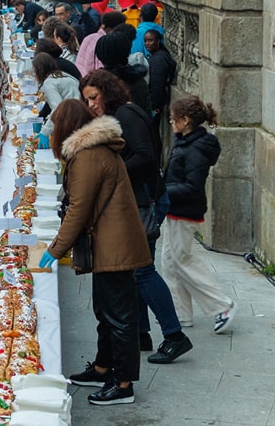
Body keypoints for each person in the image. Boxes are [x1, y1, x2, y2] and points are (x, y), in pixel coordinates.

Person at [39, 99, 151, 406]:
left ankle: (124, 384)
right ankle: (104, 367)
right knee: (105, 310)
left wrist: (55, 249)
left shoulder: (88, 155)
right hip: (110, 242)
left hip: (115, 246)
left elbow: (79, 209)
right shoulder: (91, 150)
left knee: (119, 316)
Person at [80, 70, 193, 364]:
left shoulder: (127, 116)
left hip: (146, 200)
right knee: (133, 270)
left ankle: (174, 336)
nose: (91, 104)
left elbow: (144, 156)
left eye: (94, 97)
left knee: (142, 270)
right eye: (87, 100)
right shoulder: (121, 115)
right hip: (140, 198)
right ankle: (141, 333)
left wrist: (109, 174)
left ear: (107, 91)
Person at [160, 96, 234, 333]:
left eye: (173, 119)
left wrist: (160, 192)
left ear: (185, 120)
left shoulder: (196, 148)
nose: (170, 122)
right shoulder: (185, 140)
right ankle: (182, 315)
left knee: (181, 261)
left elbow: (192, 186)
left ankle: (223, 305)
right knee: (170, 263)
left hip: (185, 211)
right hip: (177, 209)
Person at [32, 52, 79, 143]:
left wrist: (45, 132)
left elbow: (58, 109)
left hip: (73, 119)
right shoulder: (61, 75)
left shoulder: (49, 82)